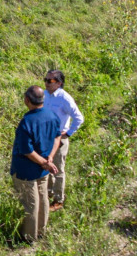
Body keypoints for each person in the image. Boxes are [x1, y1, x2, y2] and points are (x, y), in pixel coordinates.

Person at [10, 85, 62, 242]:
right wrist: (50, 158)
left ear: (27, 100)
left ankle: (29, 238)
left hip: (26, 171)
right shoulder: (52, 115)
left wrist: (44, 163)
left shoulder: (27, 122)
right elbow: (57, 137)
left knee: (31, 204)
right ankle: (41, 232)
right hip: (43, 170)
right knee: (43, 198)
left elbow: (27, 151)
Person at [43, 69, 84, 211]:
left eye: (50, 81)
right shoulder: (45, 95)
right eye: (46, 80)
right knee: (46, 166)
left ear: (59, 83)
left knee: (58, 170)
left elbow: (79, 117)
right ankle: (47, 193)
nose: (47, 83)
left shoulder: (64, 98)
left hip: (59, 138)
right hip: (45, 137)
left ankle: (58, 200)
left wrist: (69, 133)